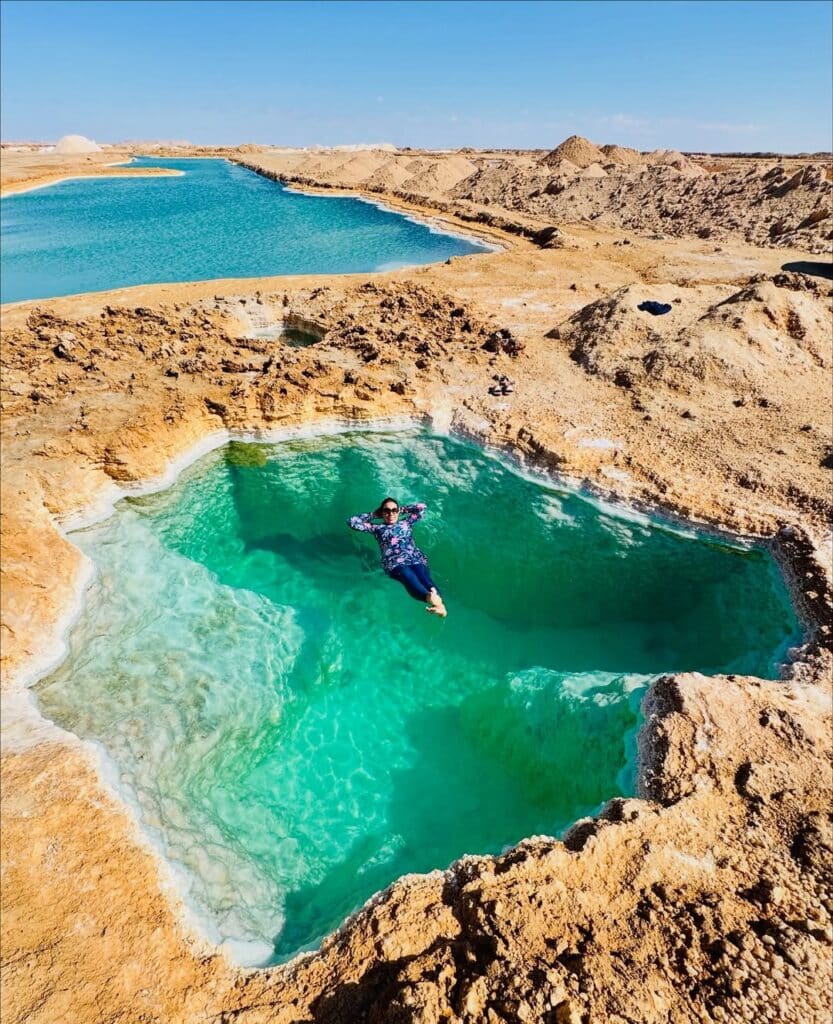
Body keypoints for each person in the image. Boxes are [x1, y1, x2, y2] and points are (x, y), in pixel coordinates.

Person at [347, 497, 447, 616]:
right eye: (386, 511)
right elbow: (351, 522)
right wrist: (374, 514)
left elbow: (421, 508)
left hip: (415, 557)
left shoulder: (407, 522)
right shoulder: (376, 528)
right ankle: (429, 598)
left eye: (394, 510)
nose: (391, 514)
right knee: (407, 575)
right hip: (393, 562)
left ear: (398, 511)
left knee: (424, 577)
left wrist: (403, 509)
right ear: (382, 512)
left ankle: (440, 605)